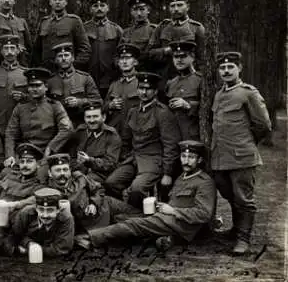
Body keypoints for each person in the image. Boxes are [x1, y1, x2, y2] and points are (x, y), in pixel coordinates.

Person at [75, 140, 216, 252]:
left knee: (134, 224)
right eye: (183, 156)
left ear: (199, 160)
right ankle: (158, 238)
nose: (186, 161)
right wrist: (161, 206)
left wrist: (173, 211)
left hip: (179, 225)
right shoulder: (182, 176)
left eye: (191, 157)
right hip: (165, 218)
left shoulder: (204, 182)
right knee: (118, 212)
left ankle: (89, 237)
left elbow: (204, 213)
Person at [211, 52, 271, 255]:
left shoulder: (248, 93)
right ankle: (236, 229)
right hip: (220, 157)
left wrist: (247, 143)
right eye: (222, 68)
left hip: (242, 156)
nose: (226, 71)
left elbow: (263, 124)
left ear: (240, 69)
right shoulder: (219, 94)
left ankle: (243, 240)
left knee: (244, 198)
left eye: (231, 67)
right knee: (229, 194)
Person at [105, 72, 181, 208]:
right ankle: (122, 211)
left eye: (148, 89)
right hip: (134, 159)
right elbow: (126, 140)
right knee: (112, 182)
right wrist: (124, 159)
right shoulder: (133, 112)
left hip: (153, 160)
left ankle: (138, 216)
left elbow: (171, 145)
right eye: (141, 88)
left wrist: (168, 173)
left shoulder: (162, 112)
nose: (143, 92)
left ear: (155, 91)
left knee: (137, 188)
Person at [46, 154, 140, 237]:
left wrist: (93, 203)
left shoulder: (79, 178)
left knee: (139, 216)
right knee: (128, 225)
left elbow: (99, 189)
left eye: (65, 169)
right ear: (50, 173)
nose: (62, 173)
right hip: (93, 225)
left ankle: (119, 221)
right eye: (58, 170)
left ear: (70, 171)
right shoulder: (48, 193)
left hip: (106, 205)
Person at [4, 67, 73, 170]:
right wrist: (10, 156)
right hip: (25, 155)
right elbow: (10, 133)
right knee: (7, 173)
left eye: (38, 85)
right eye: (31, 86)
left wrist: (51, 148)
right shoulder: (20, 107)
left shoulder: (55, 106)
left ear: (46, 87)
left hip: (46, 155)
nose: (34, 89)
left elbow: (67, 129)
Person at [0, 187, 75, 258]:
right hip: (13, 223)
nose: (45, 215)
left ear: (58, 210)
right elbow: (16, 236)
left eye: (50, 210)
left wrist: (29, 251)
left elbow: (62, 249)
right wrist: (29, 243)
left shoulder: (66, 218)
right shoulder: (26, 213)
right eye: (41, 210)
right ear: (36, 208)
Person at [31, 0, 91, 71]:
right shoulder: (44, 22)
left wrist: (73, 67)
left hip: (67, 72)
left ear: (66, 1)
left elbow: (85, 49)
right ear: (50, 2)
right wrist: (40, 68)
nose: (57, 2)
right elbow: (36, 50)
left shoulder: (74, 21)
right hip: (47, 72)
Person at [148, 0, 205, 81]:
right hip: (164, 77)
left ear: (187, 7)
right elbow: (150, 53)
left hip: (189, 77)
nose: (176, 9)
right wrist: (165, 51)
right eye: (172, 6)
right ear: (169, 8)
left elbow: (202, 57)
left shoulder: (196, 28)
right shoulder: (162, 27)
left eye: (179, 5)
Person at [47, 42, 102, 127]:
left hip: (81, 124)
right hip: (58, 125)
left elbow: (98, 102)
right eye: (60, 56)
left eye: (66, 55)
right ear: (55, 60)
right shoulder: (50, 81)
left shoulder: (85, 78)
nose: (64, 59)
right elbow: (45, 105)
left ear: (72, 58)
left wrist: (79, 102)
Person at [0, 34, 28, 138]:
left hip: (20, 125)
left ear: (18, 50)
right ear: (1, 51)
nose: (9, 52)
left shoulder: (25, 74)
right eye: (6, 48)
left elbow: (34, 99)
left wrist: (23, 97)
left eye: (12, 48)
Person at [68, 101, 121, 185]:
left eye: (95, 116)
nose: (91, 120)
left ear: (103, 117)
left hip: (99, 174)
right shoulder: (80, 131)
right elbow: (72, 156)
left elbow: (110, 164)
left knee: (81, 183)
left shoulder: (111, 135)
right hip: (79, 170)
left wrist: (89, 160)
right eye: (88, 117)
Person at [84, 0, 124, 98]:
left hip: (110, 79)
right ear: (90, 9)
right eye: (95, 6)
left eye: (102, 5)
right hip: (88, 79)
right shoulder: (84, 29)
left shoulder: (116, 29)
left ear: (108, 8)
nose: (99, 9)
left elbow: (121, 54)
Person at [166, 40, 202, 141]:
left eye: (183, 56)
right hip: (173, 135)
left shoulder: (201, 80)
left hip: (193, 134)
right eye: (176, 57)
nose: (179, 60)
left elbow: (210, 108)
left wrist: (188, 105)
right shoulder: (171, 83)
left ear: (192, 57)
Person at [104, 43, 141, 133]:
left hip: (135, 132)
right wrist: (110, 105)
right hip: (115, 132)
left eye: (128, 58)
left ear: (135, 62)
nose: (124, 62)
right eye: (122, 58)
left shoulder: (141, 83)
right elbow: (103, 106)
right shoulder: (114, 85)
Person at [121, 0, 157, 71]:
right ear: (131, 12)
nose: (139, 13)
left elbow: (151, 54)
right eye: (135, 10)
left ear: (148, 10)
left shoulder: (154, 30)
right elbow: (118, 53)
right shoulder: (125, 32)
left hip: (145, 72)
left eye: (142, 9)